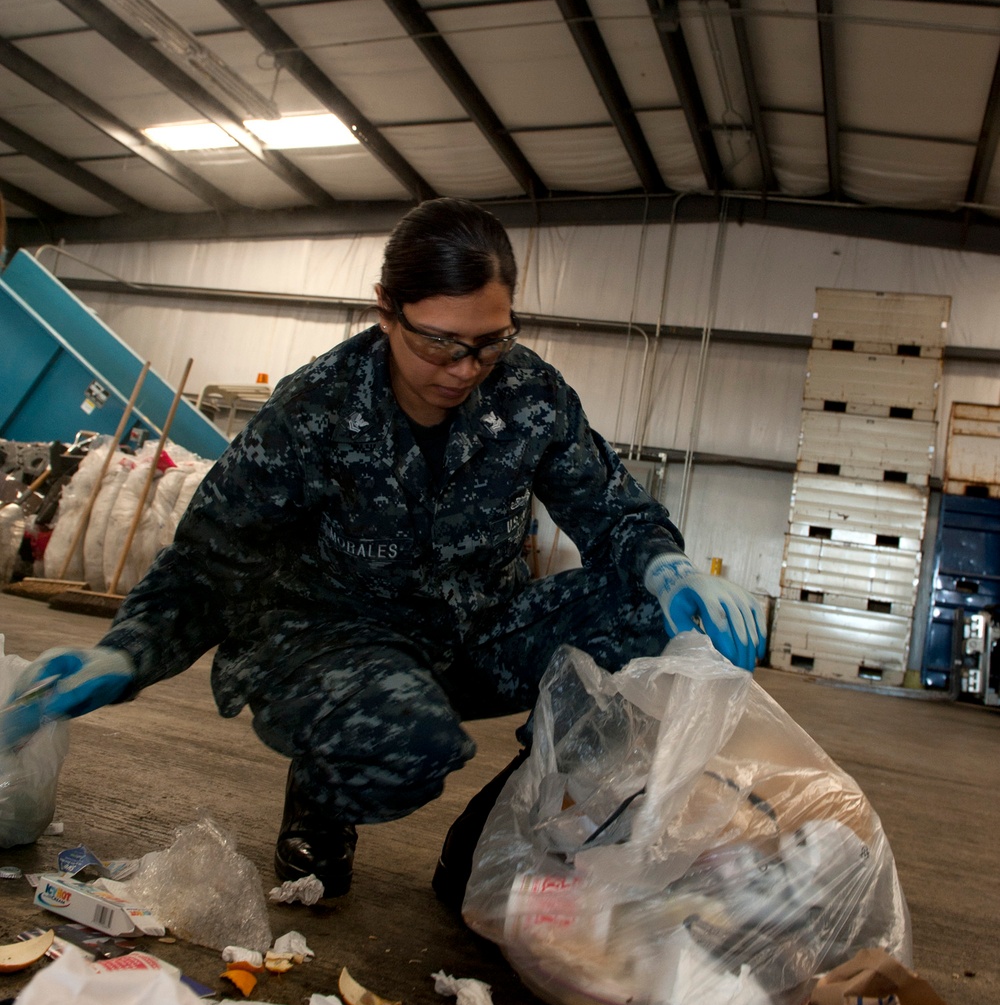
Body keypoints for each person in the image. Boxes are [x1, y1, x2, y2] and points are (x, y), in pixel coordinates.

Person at [8, 199, 765, 902]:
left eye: (489, 343)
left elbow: (608, 507)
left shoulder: (529, 392)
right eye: (439, 343)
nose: (465, 369)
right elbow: (213, 558)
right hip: (343, 642)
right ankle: (322, 790)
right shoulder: (316, 407)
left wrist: (670, 569)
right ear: (385, 309)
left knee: (652, 617)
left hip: (477, 630)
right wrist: (125, 653)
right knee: (406, 743)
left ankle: (505, 831)